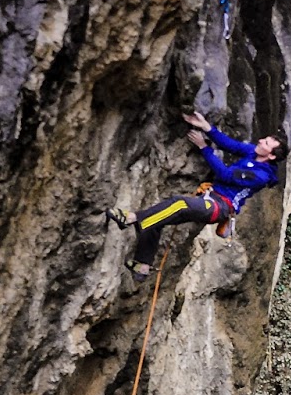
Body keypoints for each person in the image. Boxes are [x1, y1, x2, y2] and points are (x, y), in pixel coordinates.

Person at [108, 111, 281, 279]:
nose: (260, 141)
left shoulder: (261, 176)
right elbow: (230, 145)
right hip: (210, 197)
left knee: (179, 203)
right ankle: (142, 265)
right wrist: (206, 127)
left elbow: (225, 175)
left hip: (219, 207)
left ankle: (131, 218)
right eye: (265, 139)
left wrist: (204, 147)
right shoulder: (253, 152)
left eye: (266, 143)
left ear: (271, 155)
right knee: (160, 217)